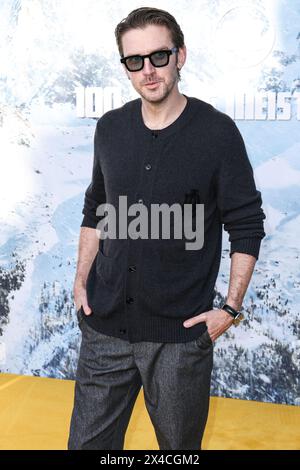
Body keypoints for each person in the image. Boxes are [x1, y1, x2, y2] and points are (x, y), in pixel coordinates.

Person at [67, 7, 266, 450]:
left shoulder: (217, 133)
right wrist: (81, 280)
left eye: (159, 56)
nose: (148, 70)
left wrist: (230, 308)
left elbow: (247, 223)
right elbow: (96, 207)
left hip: (179, 339)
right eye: (134, 61)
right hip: (104, 331)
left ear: (181, 56)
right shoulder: (110, 128)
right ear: (125, 66)